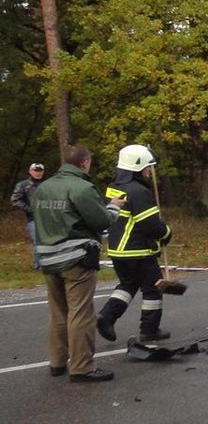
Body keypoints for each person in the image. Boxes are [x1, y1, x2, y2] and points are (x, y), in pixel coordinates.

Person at [32, 144, 120, 382]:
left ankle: (57, 362)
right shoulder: (82, 188)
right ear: (84, 163)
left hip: (48, 257)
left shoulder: (44, 187)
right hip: (75, 258)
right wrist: (114, 207)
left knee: (58, 312)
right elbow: (101, 221)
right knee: (81, 313)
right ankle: (82, 367)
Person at [96, 145, 173, 345]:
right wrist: (166, 233)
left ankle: (107, 317)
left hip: (118, 251)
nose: (149, 171)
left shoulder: (115, 186)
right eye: (147, 167)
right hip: (138, 250)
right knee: (153, 289)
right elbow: (150, 224)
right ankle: (149, 330)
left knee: (128, 285)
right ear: (138, 166)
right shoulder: (138, 191)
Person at [11, 161, 45, 269]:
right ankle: (39, 265)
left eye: (40, 171)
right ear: (30, 171)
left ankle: (50, 264)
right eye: (36, 170)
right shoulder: (23, 185)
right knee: (37, 241)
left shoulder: (48, 184)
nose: (38, 173)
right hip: (33, 218)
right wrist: (30, 210)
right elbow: (15, 200)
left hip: (49, 218)